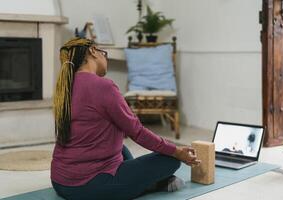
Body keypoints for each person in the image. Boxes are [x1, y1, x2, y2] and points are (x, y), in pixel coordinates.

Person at [50, 38, 201, 200]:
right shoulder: (103, 86)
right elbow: (137, 132)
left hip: (59, 181)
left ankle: (135, 183)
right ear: (93, 51)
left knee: (121, 148)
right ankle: (147, 185)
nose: (105, 58)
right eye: (104, 53)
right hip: (87, 187)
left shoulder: (64, 87)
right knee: (171, 160)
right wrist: (177, 151)